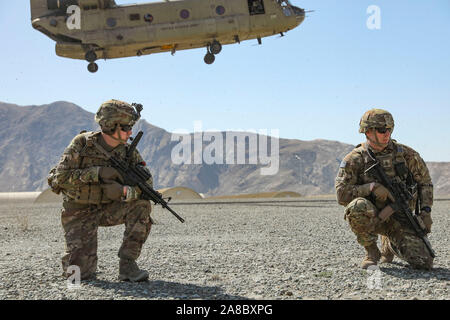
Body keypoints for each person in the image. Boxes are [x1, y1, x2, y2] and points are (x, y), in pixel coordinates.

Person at [48, 99, 153, 282]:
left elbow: (147, 184)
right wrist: (97, 173)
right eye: (126, 127)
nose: (130, 132)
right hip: (78, 212)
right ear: (111, 125)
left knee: (142, 205)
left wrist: (124, 192)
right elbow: (59, 178)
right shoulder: (82, 144)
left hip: (108, 209)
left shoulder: (128, 152)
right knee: (79, 276)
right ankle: (76, 259)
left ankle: (127, 265)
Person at [335, 109, 434, 270]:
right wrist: (371, 188)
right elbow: (341, 194)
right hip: (372, 217)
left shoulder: (407, 154)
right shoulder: (355, 159)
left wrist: (426, 211)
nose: (387, 133)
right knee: (356, 207)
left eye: (390, 129)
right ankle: (372, 251)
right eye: (382, 130)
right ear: (368, 131)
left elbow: (425, 182)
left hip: (401, 217)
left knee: (424, 262)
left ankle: (389, 245)